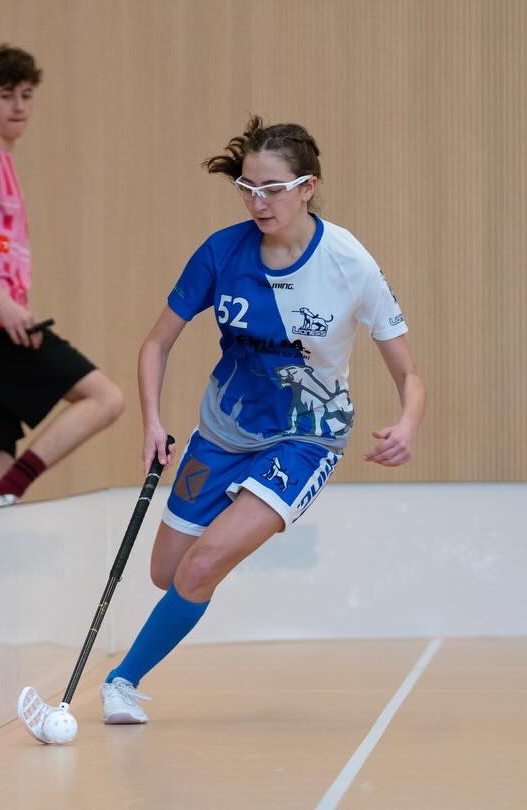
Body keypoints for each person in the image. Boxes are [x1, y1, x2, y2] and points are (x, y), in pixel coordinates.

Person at [100, 117, 425, 725]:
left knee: (201, 567)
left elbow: (409, 372)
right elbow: (156, 344)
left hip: (306, 435)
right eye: (248, 188)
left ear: (308, 187)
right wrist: (150, 420)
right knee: (166, 573)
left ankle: (121, 682)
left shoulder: (349, 263)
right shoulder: (223, 251)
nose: (258, 202)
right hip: (222, 430)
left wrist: (406, 423)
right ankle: (214, 554)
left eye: (272, 189)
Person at [0, 45, 122, 509]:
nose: (19, 106)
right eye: (5, 95)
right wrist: (2, 303)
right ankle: (10, 487)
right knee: (105, 398)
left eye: (26, 94)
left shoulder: (0, 160)